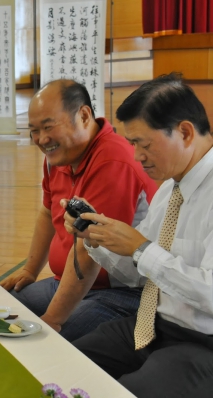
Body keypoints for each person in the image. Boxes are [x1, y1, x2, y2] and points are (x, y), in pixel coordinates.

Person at [65, 73, 213, 397]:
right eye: (131, 144)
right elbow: (136, 274)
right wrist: (97, 237)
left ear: (185, 132)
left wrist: (143, 249)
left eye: (143, 144)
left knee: (126, 392)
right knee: (67, 365)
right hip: (153, 324)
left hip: (202, 342)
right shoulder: (170, 188)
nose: (136, 156)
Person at [0, 79, 158, 341]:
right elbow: (47, 213)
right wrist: (29, 270)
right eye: (34, 130)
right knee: (2, 312)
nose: (42, 139)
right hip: (64, 282)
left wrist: (53, 320)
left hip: (123, 293)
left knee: (47, 341)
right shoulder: (59, 155)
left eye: (48, 127)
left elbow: (89, 250)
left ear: (84, 115)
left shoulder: (112, 161)